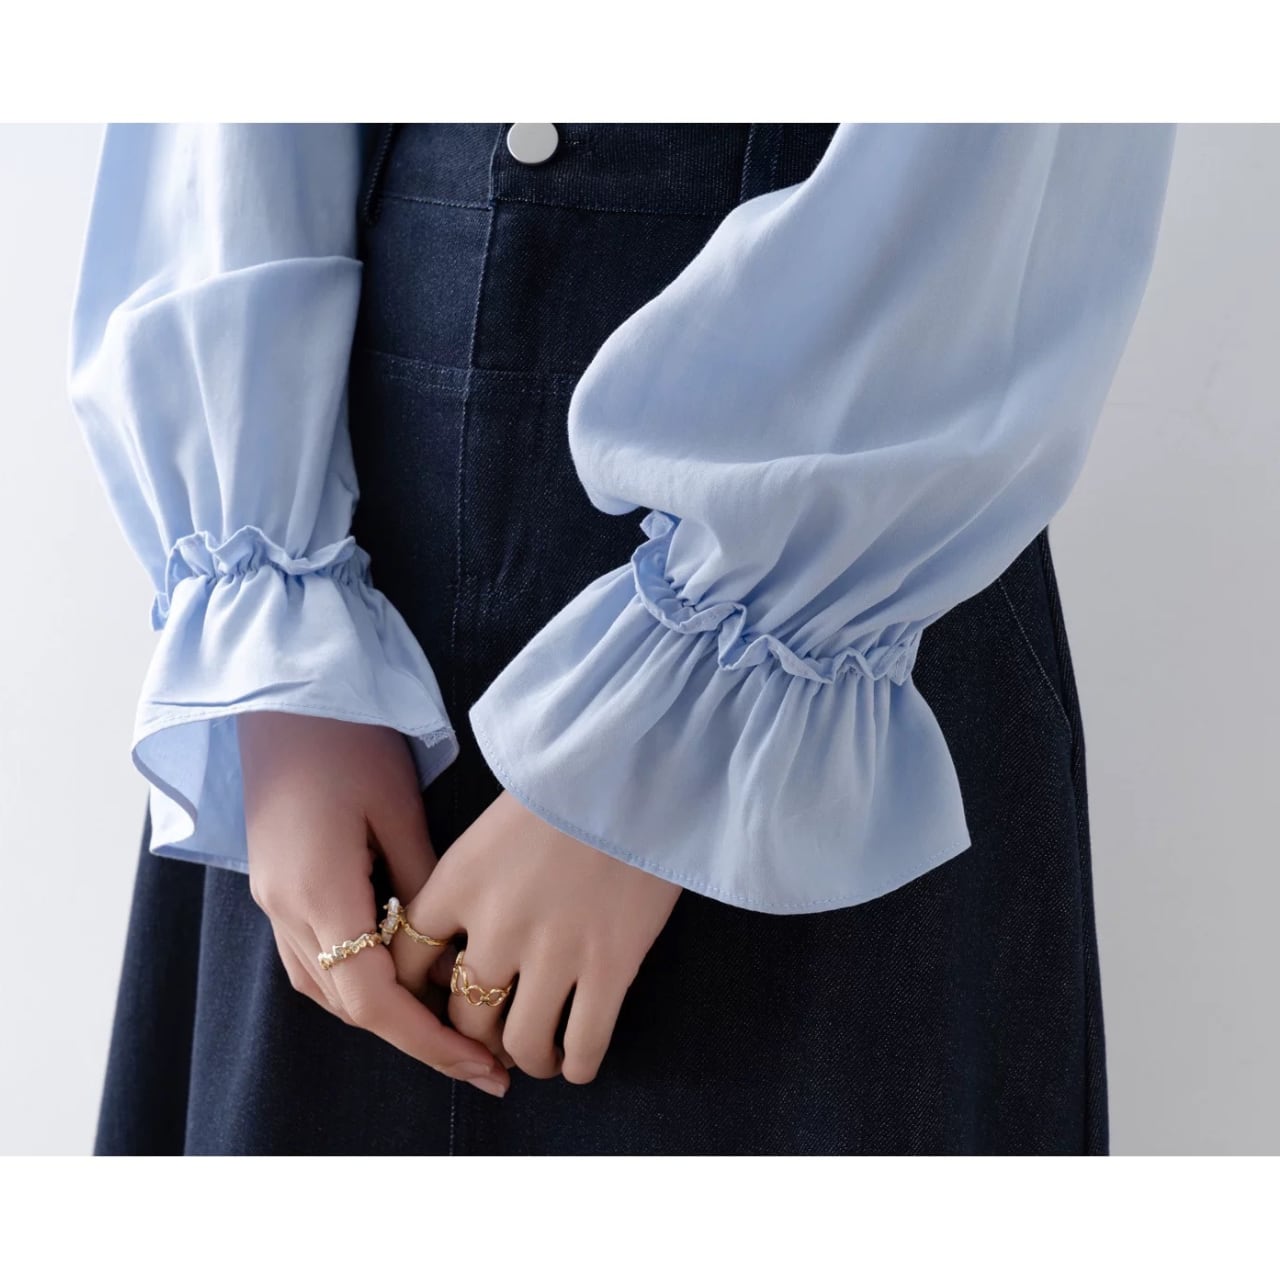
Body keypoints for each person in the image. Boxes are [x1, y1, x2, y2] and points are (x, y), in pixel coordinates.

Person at [67, 122, 1176, 1155]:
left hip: (850, 591)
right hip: (349, 565)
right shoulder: (282, 598)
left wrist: (673, 739)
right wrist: (275, 656)